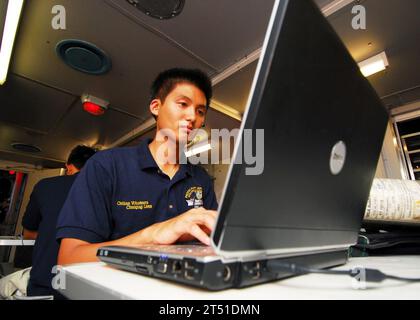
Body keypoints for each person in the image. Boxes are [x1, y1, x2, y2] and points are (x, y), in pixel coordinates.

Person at [56, 68, 219, 265]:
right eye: (183, 104)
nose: (192, 116)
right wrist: (153, 234)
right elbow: (69, 258)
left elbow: (213, 240)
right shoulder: (106, 166)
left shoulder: (200, 178)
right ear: (156, 107)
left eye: (200, 111)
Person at [21, 145, 96, 298]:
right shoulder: (107, 191)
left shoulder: (45, 186)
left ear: (69, 166)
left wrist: (51, 234)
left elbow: (28, 233)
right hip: (86, 286)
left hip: (44, 280)